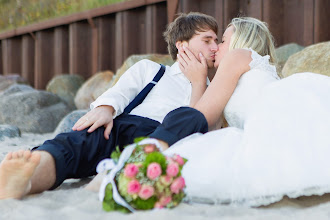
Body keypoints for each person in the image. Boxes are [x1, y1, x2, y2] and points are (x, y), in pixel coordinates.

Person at [0, 12, 217, 200]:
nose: (215, 47)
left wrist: (199, 82)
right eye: (207, 40)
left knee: (180, 121)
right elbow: (119, 93)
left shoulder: (213, 90)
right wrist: (105, 108)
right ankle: (26, 181)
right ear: (182, 44)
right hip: (122, 127)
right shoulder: (154, 70)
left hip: (163, 138)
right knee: (74, 143)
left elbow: (196, 125)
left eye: (216, 41)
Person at [158, 17, 330, 206]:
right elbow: (205, 130)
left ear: (240, 41)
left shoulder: (238, 55)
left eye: (222, 41)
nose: (216, 48)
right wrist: (199, 82)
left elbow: (200, 118)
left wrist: (198, 82)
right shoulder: (245, 70)